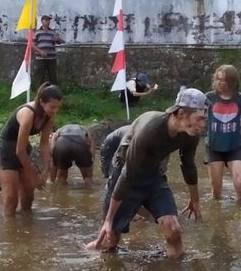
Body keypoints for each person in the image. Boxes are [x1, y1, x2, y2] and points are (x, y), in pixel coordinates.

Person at [87, 88, 208, 259]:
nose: (202, 125)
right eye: (200, 119)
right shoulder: (150, 129)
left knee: (173, 229)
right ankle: (83, 252)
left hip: (153, 174)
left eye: (204, 119)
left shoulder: (191, 133)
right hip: (125, 171)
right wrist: (108, 220)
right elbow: (127, 174)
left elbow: (188, 165)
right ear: (181, 113)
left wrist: (194, 200)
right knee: (109, 242)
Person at [0, 83, 63, 217]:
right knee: (11, 200)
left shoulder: (49, 116)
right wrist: (34, 177)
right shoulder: (28, 114)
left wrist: (46, 167)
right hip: (7, 149)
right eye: (52, 107)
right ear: (41, 102)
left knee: (28, 197)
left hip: (24, 148)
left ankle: (26, 228)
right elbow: (19, 151)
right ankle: (10, 230)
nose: (55, 111)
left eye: (58, 107)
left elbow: (44, 144)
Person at [205, 65, 241, 201]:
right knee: (216, 192)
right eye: (218, 79)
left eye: (224, 80)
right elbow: (196, 118)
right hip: (214, 147)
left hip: (234, 147)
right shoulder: (209, 98)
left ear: (232, 82)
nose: (220, 83)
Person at [33, 15, 63, 86]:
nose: (48, 22)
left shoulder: (52, 32)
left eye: (49, 20)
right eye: (46, 20)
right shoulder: (37, 32)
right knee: (40, 77)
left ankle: (54, 93)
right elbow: (32, 45)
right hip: (40, 59)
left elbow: (59, 42)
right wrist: (40, 52)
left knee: (53, 77)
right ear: (42, 21)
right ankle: (40, 93)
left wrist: (58, 40)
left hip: (52, 59)